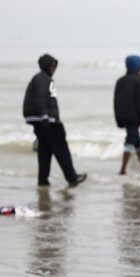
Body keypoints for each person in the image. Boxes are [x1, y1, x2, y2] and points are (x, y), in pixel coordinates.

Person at [22, 54, 87, 187]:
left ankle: (43, 180)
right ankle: (72, 177)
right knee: (61, 148)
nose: (54, 68)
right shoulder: (42, 79)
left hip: (42, 120)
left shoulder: (43, 78)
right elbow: (41, 99)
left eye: (55, 65)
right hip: (46, 121)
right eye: (52, 65)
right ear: (47, 66)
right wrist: (45, 117)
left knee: (45, 150)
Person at [113, 55, 140, 175]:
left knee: (137, 140)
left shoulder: (120, 80)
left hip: (123, 116)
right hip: (134, 117)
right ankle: (122, 170)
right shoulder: (139, 81)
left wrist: (118, 119)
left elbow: (116, 101)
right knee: (130, 140)